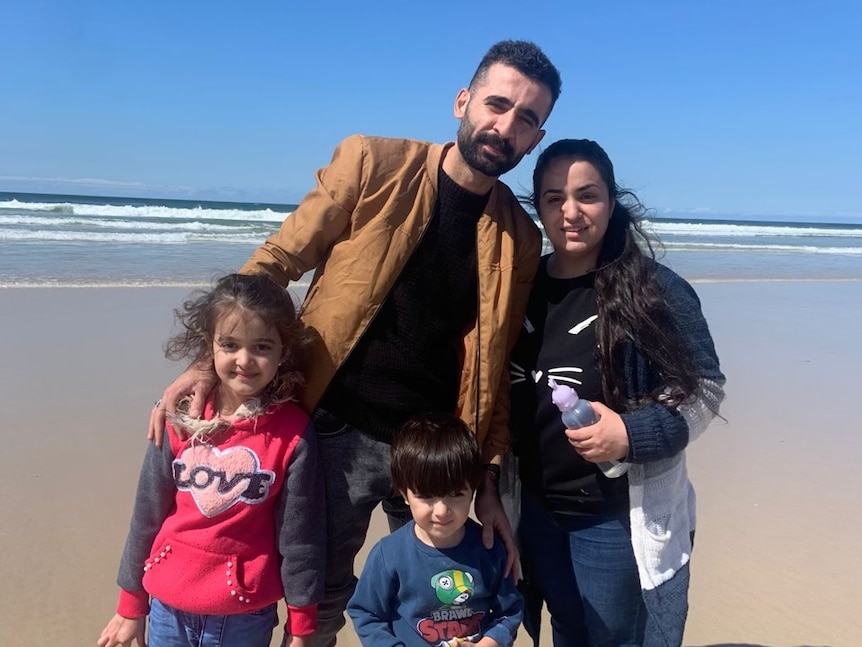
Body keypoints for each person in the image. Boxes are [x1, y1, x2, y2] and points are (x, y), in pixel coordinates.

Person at [149, 40, 562, 647]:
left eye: (526, 118)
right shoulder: (372, 164)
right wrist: (206, 363)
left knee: (441, 606)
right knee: (315, 599)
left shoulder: (519, 238)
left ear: (536, 135)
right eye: (496, 104)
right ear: (462, 100)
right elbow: (277, 262)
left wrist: (490, 482)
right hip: (335, 432)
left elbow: (493, 372)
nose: (505, 126)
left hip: (433, 449)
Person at [507, 139, 726, 647]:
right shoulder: (522, 285)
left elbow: (705, 388)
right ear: (537, 207)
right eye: (553, 198)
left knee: (614, 637)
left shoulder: (654, 289)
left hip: (612, 515)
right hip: (537, 507)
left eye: (588, 195)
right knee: (565, 626)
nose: (571, 212)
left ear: (611, 200)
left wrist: (631, 433)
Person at [99, 274, 325, 647]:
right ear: (210, 346)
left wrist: (300, 626)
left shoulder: (293, 435)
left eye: (262, 346)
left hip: (245, 614)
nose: (244, 360)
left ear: (284, 351)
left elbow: (300, 539)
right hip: (167, 608)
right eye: (230, 344)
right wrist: (131, 604)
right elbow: (147, 514)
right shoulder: (177, 420)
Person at [347, 413, 524, 647]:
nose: (441, 511)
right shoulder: (388, 555)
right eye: (427, 496)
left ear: (473, 489)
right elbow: (366, 613)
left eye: (455, 495)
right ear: (404, 493)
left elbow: (509, 612)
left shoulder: (489, 550)